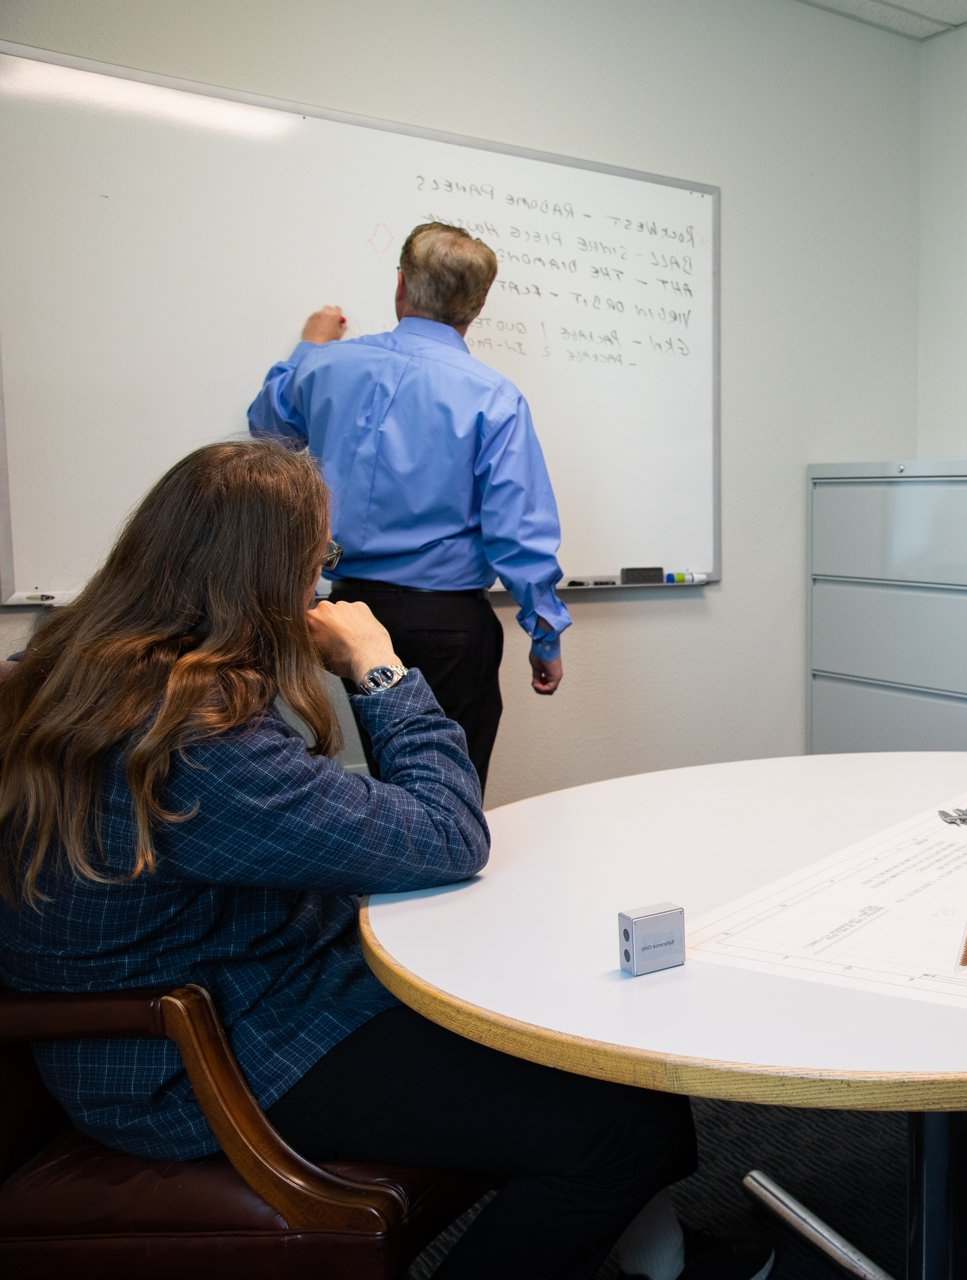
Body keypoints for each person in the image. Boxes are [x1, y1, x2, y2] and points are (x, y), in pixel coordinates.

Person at [0, 441, 767, 1280]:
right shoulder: (195, 736)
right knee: (622, 1129)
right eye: (321, 556)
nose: (327, 579)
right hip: (202, 1055)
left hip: (229, 989)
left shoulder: (77, 664)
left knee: (585, 1034)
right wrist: (380, 667)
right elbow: (448, 834)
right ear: (264, 574)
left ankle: (668, 1263)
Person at [248, 221, 568, 793]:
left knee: (388, 787)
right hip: (447, 625)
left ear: (401, 285)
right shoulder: (492, 396)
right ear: (479, 304)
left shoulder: (324, 366)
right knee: (450, 798)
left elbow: (267, 426)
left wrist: (309, 345)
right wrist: (544, 633)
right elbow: (518, 533)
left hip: (347, 617)